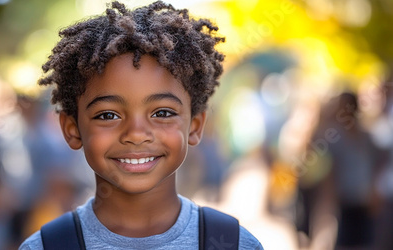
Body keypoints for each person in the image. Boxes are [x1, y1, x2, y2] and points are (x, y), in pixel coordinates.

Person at [20, 1, 263, 249]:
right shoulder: (47, 246)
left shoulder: (232, 243)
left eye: (163, 112)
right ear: (72, 129)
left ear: (195, 125)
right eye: (108, 115)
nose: (136, 134)